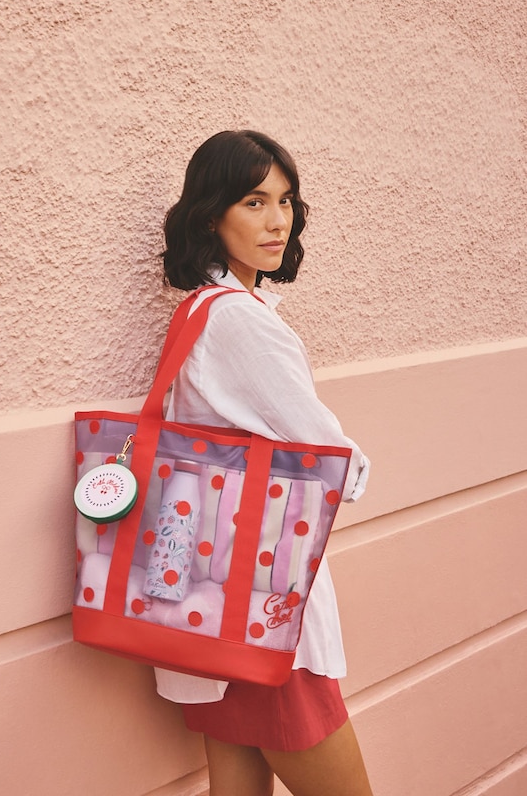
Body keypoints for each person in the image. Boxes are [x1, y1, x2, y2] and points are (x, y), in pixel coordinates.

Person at [159, 130, 375, 796]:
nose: (277, 219)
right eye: (253, 201)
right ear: (211, 214)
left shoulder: (197, 312)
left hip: (207, 613)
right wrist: (359, 465)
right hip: (265, 616)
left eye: (285, 200)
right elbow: (338, 461)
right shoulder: (241, 322)